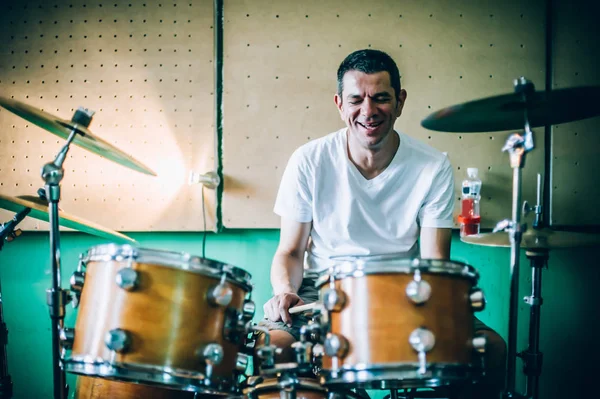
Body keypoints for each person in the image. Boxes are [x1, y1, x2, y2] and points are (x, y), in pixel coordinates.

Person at [257, 49, 506, 398]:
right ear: (339, 104)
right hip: (325, 293)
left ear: (400, 101)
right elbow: (291, 251)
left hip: (404, 293)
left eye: (381, 98)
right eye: (356, 99)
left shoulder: (432, 166)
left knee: (490, 350)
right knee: (275, 346)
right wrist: (285, 291)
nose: (368, 111)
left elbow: (436, 264)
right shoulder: (309, 161)